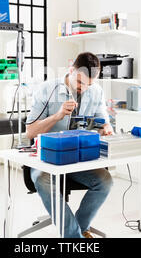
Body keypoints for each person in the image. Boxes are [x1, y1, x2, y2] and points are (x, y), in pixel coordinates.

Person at [26, 52, 114, 238]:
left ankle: (77, 229)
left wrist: (106, 128)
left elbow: (102, 123)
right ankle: (75, 238)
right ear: (71, 70)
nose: (84, 88)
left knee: (105, 181)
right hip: (46, 158)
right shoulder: (47, 89)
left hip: (77, 158)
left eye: (89, 84)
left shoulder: (96, 91)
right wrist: (57, 116)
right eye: (80, 82)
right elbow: (31, 132)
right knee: (42, 179)